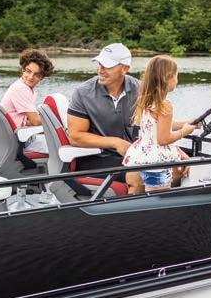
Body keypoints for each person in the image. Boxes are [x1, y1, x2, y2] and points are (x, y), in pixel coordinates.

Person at [66, 43, 143, 192]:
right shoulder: (82, 93)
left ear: (125, 69)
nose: (100, 70)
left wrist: (184, 127)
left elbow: (154, 122)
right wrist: (116, 142)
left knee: (174, 167)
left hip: (131, 155)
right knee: (140, 175)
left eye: (107, 66)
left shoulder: (140, 89)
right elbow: (75, 137)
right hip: (95, 158)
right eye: (100, 64)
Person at [122, 55, 198, 191]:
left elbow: (160, 125)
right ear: (167, 78)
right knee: (157, 201)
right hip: (156, 166)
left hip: (139, 159)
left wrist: (189, 123)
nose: (177, 80)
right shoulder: (165, 106)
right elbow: (163, 139)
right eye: (176, 75)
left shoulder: (146, 100)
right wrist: (184, 132)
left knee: (135, 199)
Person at [0, 48, 54, 153]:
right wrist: (56, 122)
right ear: (23, 69)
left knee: (53, 141)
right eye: (28, 71)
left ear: (42, 77)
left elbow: (27, 120)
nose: (30, 77)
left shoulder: (24, 87)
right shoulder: (21, 89)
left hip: (14, 135)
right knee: (58, 147)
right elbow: (35, 121)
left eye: (36, 74)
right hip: (14, 140)